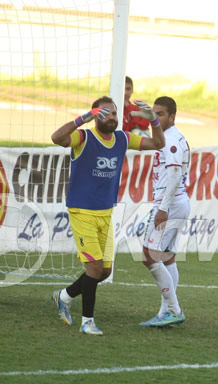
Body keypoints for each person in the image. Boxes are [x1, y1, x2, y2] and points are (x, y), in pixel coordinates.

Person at [50, 96, 165, 335]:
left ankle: (64, 296)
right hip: (82, 212)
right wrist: (84, 118)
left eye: (114, 113)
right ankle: (87, 322)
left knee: (104, 272)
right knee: (93, 269)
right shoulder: (84, 138)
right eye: (105, 113)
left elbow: (157, 143)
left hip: (105, 213)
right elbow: (57, 138)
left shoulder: (123, 138)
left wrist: (154, 120)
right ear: (96, 116)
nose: (111, 117)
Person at [138, 96, 191, 328]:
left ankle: (173, 310)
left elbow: (175, 174)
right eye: (154, 113)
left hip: (171, 203)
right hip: (177, 202)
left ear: (172, 116)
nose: (156, 118)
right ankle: (165, 312)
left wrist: (163, 208)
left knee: (149, 256)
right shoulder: (168, 136)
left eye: (160, 114)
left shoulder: (171, 140)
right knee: (167, 257)